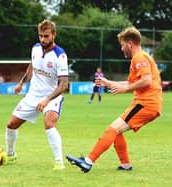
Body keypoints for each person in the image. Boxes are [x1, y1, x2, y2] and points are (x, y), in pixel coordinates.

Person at [66, 26, 162, 173]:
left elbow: (147, 80)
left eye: (122, 45)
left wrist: (125, 89)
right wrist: (108, 83)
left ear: (130, 44)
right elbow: (131, 83)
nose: (122, 49)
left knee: (113, 129)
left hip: (146, 103)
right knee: (116, 131)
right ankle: (125, 165)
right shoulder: (141, 57)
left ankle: (88, 161)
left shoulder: (139, 57)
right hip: (146, 103)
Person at [5, 19, 69, 170]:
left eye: (46, 36)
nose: (43, 39)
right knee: (11, 125)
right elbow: (32, 65)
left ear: (54, 35)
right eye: (40, 36)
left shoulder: (60, 56)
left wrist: (47, 100)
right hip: (32, 95)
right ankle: (10, 154)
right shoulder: (35, 48)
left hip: (52, 96)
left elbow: (64, 85)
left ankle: (59, 162)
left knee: (49, 124)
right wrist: (21, 83)